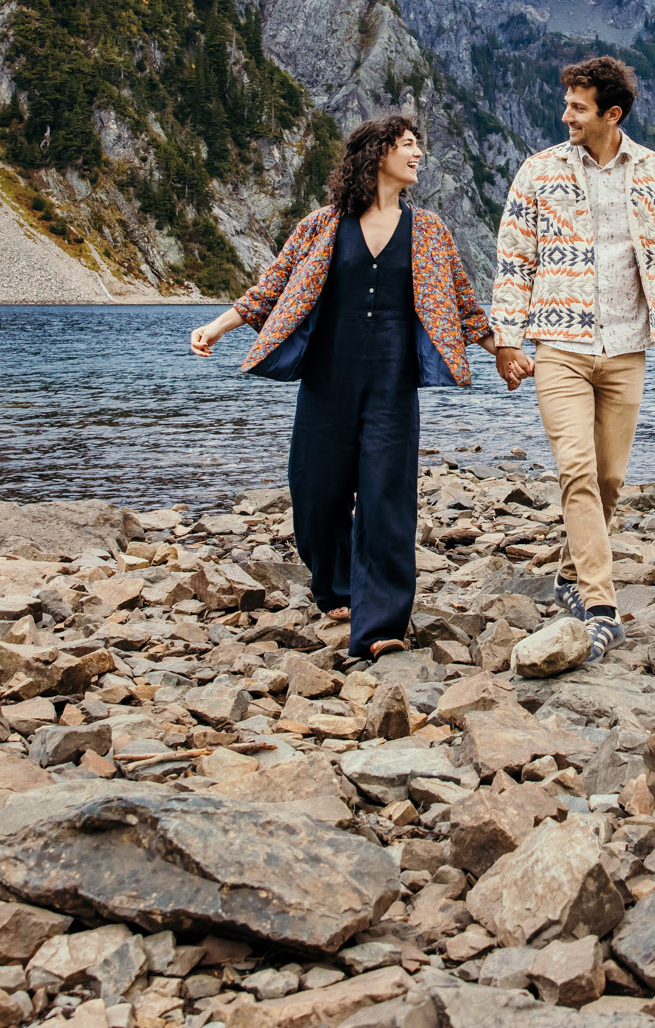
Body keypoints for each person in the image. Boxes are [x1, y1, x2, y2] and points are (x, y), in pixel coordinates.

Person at [189, 115, 500, 661]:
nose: (418, 153)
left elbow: (465, 303)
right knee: (316, 493)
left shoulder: (429, 231)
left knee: (386, 498)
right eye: (407, 145)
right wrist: (217, 326)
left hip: (393, 387)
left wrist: (502, 349)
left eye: (417, 145)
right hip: (326, 383)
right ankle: (334, 584)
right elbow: (273, 286)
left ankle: (381, 620)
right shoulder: (322, 225)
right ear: (377, 152)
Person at [491, 56, 655, 664]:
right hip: (560, 349)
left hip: (628, 348)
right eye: (567, 105)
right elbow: (513, 257)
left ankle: (569, 569)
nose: (567, 116)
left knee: (608, 479)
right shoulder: (538, 171)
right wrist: (508, 336)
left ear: (613, 113)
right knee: (577, 469)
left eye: (579, 107)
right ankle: (601, 606)